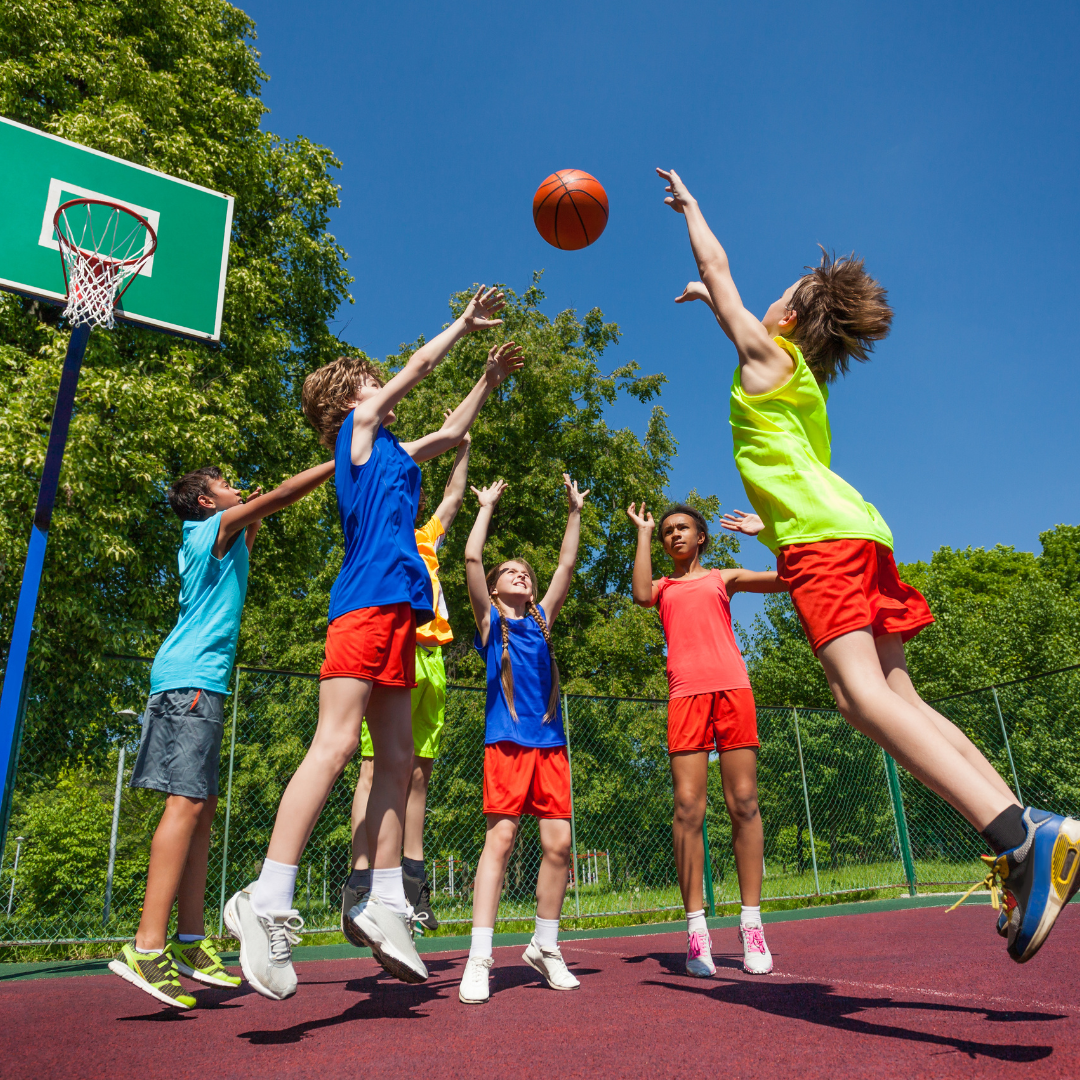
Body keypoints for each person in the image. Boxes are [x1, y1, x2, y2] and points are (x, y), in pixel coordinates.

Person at [657, 165, 1080, 964]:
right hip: (861, 532)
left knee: (857, 697)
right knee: (891, 697)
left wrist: (694, 210)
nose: (761, 305)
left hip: (826, 543)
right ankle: (1023, 837)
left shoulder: (766, 360)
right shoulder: (798, 379)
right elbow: (731, 305)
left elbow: (720, 271)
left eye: (770, 300)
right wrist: (717, 303)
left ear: (783, 319)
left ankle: (1023, 836)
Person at [226, 287, 523, 1000]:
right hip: (362, 604)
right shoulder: (356, 431)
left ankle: (385, 896)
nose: (382, 382)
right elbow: (418, 368)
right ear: (350, 398)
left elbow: (450, 436)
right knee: (333, 748)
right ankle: (266, 897)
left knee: (396, 757)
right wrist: (460, 324)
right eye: (371, 378)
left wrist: (485, 381)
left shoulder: (392, 450)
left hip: (404, 615)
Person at [109, 459, 336, 1009]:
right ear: (208, 502)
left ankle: (189, 941)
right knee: (184, 805)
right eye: (225, 486)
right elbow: (281, 493)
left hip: (200, 685)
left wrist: (248, 522)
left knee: (201, 809)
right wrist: (344, 456)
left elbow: (246, 543)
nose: (237, 489)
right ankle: (146, 945)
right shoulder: (209, 528)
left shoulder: (218, 538)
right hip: (189, 683)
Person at [627, 500, 787, 976]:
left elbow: (787, 577)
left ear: (701, 538)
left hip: (734, 691)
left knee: (744, 803)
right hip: (686, 698)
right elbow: (638, 593)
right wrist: (642, 533)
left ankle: (751, 924)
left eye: (683, 528)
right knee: (687, 807)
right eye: (667, 531)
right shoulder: (663, 586)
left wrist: (768, 532)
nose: (674, 534)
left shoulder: (723, 578)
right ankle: (696, 930)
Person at [457, 474, 589, 1005]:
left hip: (550, 743)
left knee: (559, 846)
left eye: (525, 573)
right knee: (503, 841)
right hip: (507, 743)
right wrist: (485, 507)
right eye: (510, 572)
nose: (522, 576)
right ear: (493, 588)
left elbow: (565, 566)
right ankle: (480, 957)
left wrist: (574, 513)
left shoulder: (542, 619)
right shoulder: (491, 622)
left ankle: (545, 945)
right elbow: (470, 559)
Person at [342, 423, 474, 940]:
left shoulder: (427, 537)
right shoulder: (381, 538)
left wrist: (462, 446)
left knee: (419, 774)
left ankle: (412, 887)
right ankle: (360, 879)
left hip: (434, 660)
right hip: (396, 649)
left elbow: (454, 495)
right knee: (375, 768)